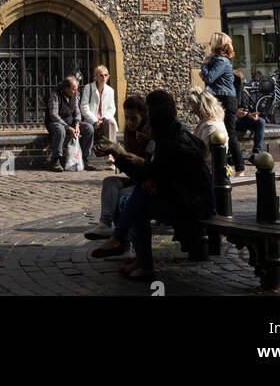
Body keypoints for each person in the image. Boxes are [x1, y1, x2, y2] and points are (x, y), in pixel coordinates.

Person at [90, 89, 215, 282]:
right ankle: (139, 259)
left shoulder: (168, 146)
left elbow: (151, 174)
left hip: (193, 205)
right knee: (139, 196)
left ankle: (128, 247)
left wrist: (119, 157)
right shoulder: (173, 137)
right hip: (185, 197)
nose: (147, 129)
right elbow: (152, 175)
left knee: (139, 201)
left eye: (151, 126)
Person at [85, 95, 148, 238]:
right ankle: (104, 224)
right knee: (110, 182)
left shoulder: (149, 133)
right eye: (126, 118)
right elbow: (131, 171)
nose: (130, 123)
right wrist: (117, 154)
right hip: (137, 177)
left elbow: (149, 167)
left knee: (119, 195)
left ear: (143, 115)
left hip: (149, 180)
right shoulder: (130, 133)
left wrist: (122, 156)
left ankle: (121, 239)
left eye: (134, 119)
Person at [201, 31, 246, 177]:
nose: (209, 43)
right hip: (220, 98)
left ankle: (240, 168)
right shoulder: (217, 60)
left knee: (229, 134)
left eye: (211, 41)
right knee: (219, 133)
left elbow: (209, 77)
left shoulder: (221, 61)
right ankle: (223, 166)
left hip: (226, 99)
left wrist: (204, 65)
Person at [46, 75, 94, 171]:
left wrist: (77, 124)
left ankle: (86, 157)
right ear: (66, 88)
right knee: (60, 130)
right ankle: (56, 159)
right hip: (55, 123)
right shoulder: (55, 94)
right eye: (73, 89)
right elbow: (54, 115)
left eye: (76, 89)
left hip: (71, 122)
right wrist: (68, 127)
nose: (76, 91)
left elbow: (77, 112)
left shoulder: (74, 95)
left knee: (89, 128)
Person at [188, 87, 226, 170]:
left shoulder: (210, 126)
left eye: (194, 110)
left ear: (201, 108)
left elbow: (202, 152)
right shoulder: (212, 120)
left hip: (208, 171)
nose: (194, 113)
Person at [234, 69, 266, 163]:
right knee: (232, 120)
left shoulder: (242, 91)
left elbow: (245, 108)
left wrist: (250, 115)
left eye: (241, 81)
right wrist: (235, 113)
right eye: (239, 81)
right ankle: (231, 153)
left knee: (261, 122)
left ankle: (256, 154)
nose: (241, 83)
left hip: (242, 119)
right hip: (232, 118)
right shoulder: (227, 91)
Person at [81, 65, 118, 146]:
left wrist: (102, 119)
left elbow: (111, 109)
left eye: (106, 75)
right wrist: (95, 121)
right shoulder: (88, 88)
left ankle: (110, 151)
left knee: (110, 122)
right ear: (96, 77)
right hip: (91, 122)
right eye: (101, 75)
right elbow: (84, 107)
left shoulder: (110, 90)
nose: (104, 77)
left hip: (103, 121)